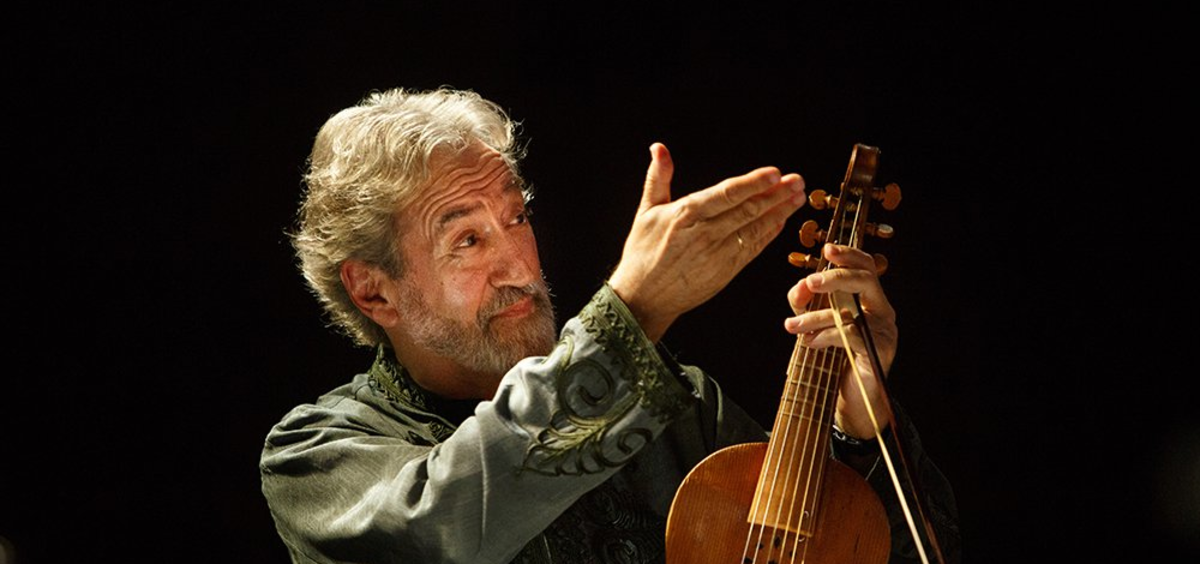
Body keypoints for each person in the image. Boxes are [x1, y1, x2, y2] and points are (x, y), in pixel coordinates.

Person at [259, 87, 961, 564]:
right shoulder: (317, 454)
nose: (517, 264)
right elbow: (448, 530)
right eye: (467, 240)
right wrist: (636, 312)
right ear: (372, 289)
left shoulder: (675, 402)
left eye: (516, 217)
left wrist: (859, 430)